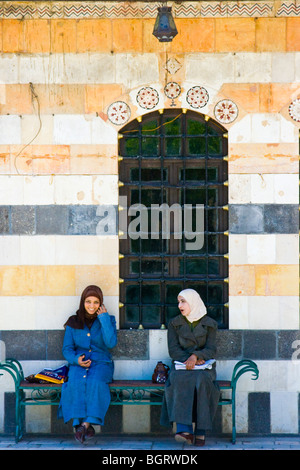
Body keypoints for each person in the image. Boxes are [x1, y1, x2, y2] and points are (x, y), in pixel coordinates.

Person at [58, 285, 117, 444]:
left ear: (101, 303)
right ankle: (86, 426)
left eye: (96, 302)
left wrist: (104, 319)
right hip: (79, 363)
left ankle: (82, 426)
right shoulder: (73, 321)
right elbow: (67, 349)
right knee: (75, 382)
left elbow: (111, 343)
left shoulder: (108, 319)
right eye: (88, 301)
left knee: (95, 382)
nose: (92, 306)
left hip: (102, 364)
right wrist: (76, 360)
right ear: (82, 302)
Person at [160, 288, 220, 446]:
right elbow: (173, 350)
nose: (180, 305)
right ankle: (184, 429)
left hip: (203, 367)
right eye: (179, 301)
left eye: (183, 301)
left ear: (193, 301)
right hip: (181, 365)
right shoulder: (174, 324)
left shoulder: (210, 324)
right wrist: (188, 360)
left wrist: (197, 356)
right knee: (179, 379)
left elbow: (211, 349)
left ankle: (201, 431)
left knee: (201, 381)